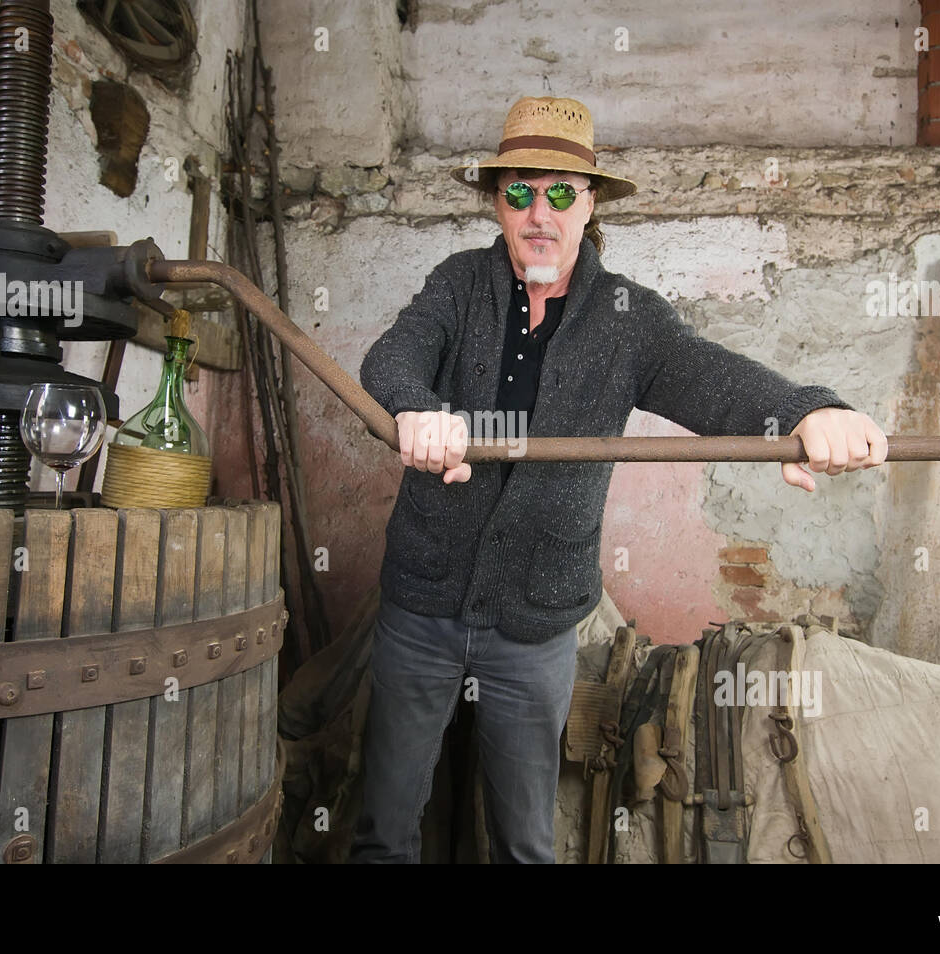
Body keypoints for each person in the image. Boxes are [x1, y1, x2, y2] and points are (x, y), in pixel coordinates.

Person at [349, 96, 887, 863]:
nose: (542, 212)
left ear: (592, 201)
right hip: (421, 602)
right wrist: (417, 409)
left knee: (526, 841)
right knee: (385, 827)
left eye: (563, 192)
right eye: (522, 191)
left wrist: (806, 414)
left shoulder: (628, 317)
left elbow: (713, 380)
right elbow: (391, 359)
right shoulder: (458, 284)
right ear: (497, 202)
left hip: (536, 623)